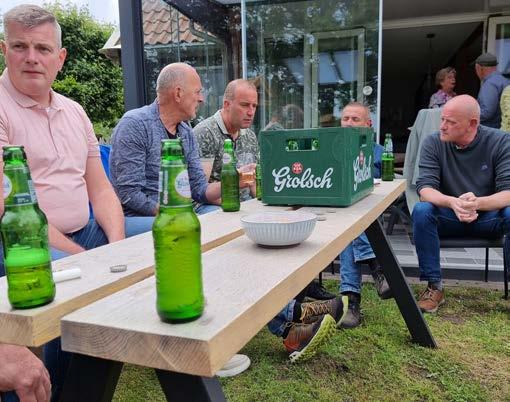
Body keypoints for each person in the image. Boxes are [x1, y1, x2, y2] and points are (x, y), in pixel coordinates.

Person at [0, 5, 154, 401]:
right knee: (68, 278)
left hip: (85, 229)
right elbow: (10, 209)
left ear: (60, 57)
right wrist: (84, 259)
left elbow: (100, 189)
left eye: (43, 48)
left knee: (161, 236)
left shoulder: (74, 110)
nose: (32, 58)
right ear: (4, 50)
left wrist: (116, 244)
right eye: (20, 46)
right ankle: (57, 384)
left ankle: (144, 334)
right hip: (23, 241)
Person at [413, 94, 510, 313]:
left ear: (472, 124)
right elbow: (425, 189)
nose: (442, 126)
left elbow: (508, 193)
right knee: (422, 210)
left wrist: (477, 203)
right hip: (449, 215)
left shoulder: (501, 141)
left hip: (488, 218)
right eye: (442, 119)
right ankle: (434, 286)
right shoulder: (433, 142)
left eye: (450, 122)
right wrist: (453, 202)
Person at [110, 63, 221, 216]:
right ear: (178, 93)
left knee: (222, 217)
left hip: (183, 211)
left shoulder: (186, 131)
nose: (201, 99)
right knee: (191, 227)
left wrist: (233, 181)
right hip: (144, 216)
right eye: (197, 92)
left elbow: (198, 189)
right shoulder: (135, 125)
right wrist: (175, 214)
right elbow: (129, 193)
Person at [336, 102, 391, 329]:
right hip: (337, 213)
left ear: (368, 125)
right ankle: (378, 268)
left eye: (355, 119)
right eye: (345, 118)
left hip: (371, 213)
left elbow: (387, 186)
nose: (349, 123)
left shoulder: (379, 152)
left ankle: (351, 301)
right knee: (351, 220)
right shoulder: (331, 150)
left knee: (353, 224)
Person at [193, 79, 259, 201]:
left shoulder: (250, 136)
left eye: (254, 106)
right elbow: (199, 191)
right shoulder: (205, 132)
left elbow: (254, 183)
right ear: (227, 104)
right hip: (211, 205)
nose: (251, 112)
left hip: (245, 204)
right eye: (244, 105)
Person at [474, 52, 510, 128]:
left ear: (480, 68)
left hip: (492, 130)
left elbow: (487, 112)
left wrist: (469, 116)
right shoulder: (505, 81)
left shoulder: (489, 84)